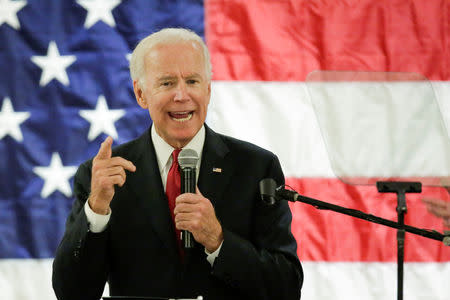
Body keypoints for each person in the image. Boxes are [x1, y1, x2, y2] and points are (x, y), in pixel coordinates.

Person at [52, 28, 303, 300]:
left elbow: (286, 288)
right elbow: (71, 293)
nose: (181, 96)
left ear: (208, 89)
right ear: (141, 93)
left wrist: (218, 240)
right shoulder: (102, 176)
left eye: (192, 81)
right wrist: (97, 210)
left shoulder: (256, 168)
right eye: (167, 83)